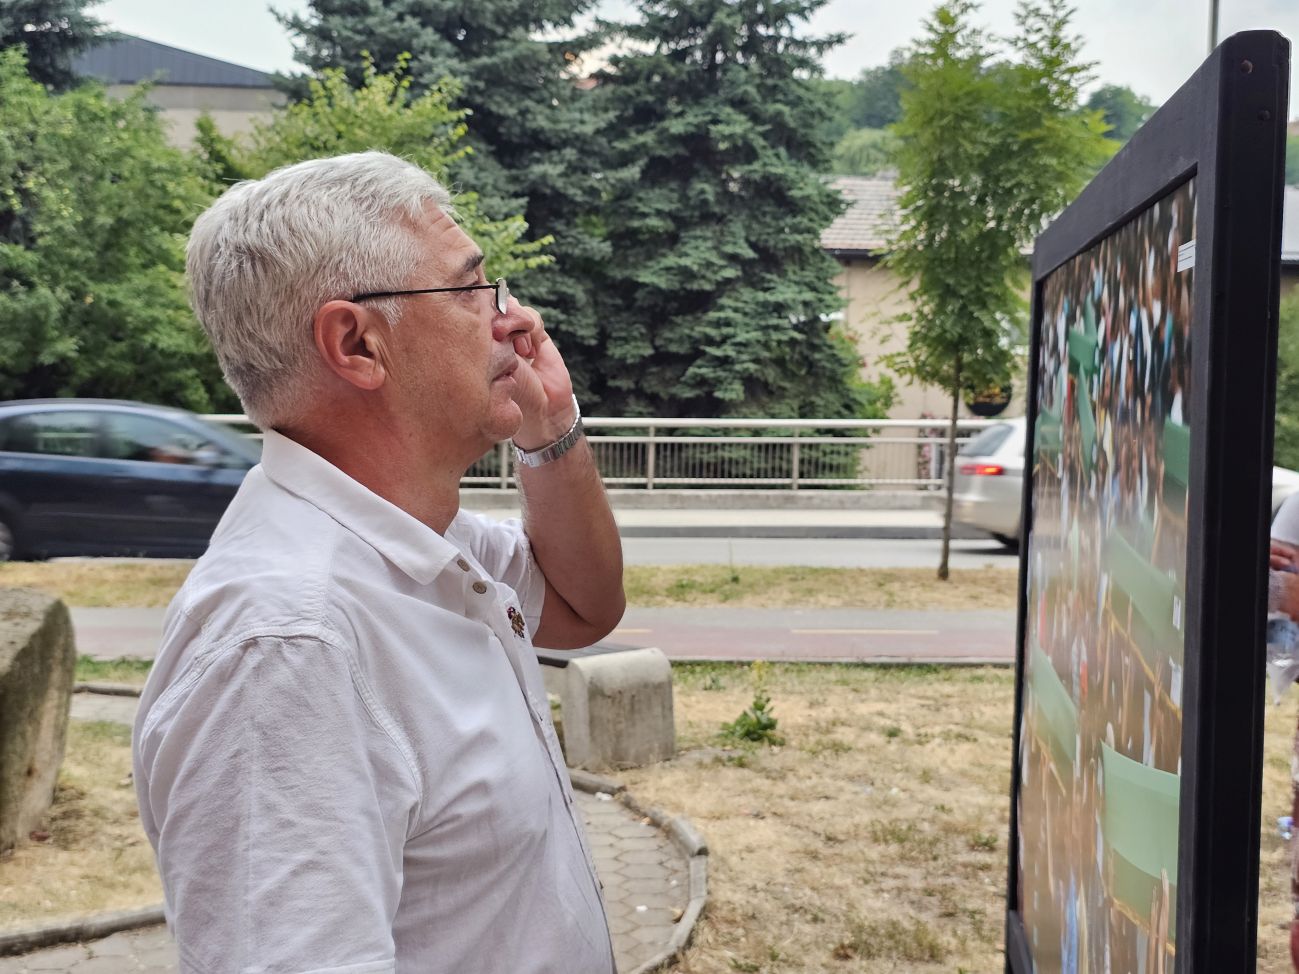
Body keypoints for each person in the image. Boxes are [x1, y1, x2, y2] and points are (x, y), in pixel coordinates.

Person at [132, 151, 626, 973]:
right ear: (357, 344)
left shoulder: (418, 539)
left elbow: (584, 608)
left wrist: (552, 422)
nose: (509, 318)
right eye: (469, 289)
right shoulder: (288, 649)